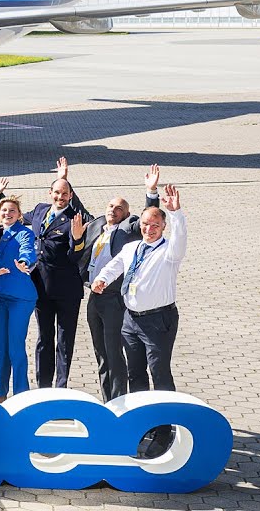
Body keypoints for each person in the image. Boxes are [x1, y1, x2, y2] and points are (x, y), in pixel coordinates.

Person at [92, 184, 187, 458]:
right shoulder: (133, 247)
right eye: (145, 224)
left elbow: (181, 239)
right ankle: (143, 422)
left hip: (158, 321)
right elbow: (116, 265)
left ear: (163, 227)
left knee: (160, 372)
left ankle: (165, 428)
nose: (149, 229)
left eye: (155, 225)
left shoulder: (169, 252)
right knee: (135, 373)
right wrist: (102, 279)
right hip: (130, 320)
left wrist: (177, 213)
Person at [0, 157, 89, 389]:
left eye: (65, 193)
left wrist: (77, 239)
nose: (60, 197)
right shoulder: (39, 210)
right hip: (40, 287)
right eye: (56, 192)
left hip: (66, 291)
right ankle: (43, 387)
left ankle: (61, 388)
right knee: (44, 339)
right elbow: (14, 217)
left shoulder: (77, 217)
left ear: (71, 196)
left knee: (64, 342)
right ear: (50, 193)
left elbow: (76, 254)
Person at [78, 165, 161, 401]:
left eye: (120, 208)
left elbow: (149, 217)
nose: (114, 210)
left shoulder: (129, 228)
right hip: (94, 298)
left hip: (114, 300)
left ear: (126, 214)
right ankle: (108, 402)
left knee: (114, 354)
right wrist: (64, 180)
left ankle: (119, 403)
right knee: (101, 355)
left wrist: (151, 191)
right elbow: (76, 208)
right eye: (111, 206)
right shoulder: (96, 225)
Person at [0, 196, 38, 401]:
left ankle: (21, 395)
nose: (7, 214)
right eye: (4, 211)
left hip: (20, 297)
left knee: (15, 347)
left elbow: (28, 250)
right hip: (1, 295)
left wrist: (25, 261)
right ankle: (0, 394)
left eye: (12, 211)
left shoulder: (25, 233)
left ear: (19, 215)